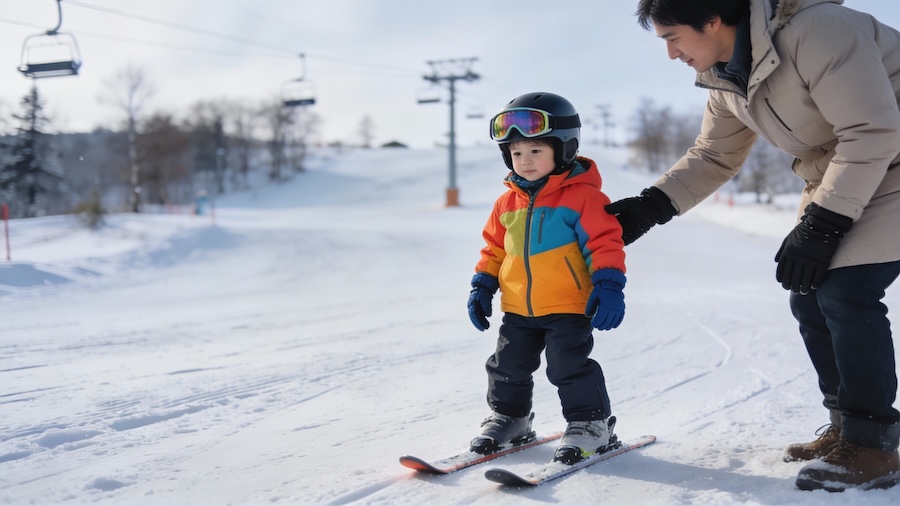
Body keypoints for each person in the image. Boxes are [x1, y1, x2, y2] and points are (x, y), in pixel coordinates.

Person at [613, 0, 900, 492]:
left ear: (712, 20)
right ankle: (847, 429)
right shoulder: (727, 78)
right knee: (808, 294)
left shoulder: (819, 31)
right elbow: (713, 155)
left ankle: (876, 445)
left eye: (672, 37)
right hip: (849, 172)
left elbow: (872, 131)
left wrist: (824, 224)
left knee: (845, 293)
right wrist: (647, 208)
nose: (671, 53)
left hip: (884, 156)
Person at [466, 92, 627, 464]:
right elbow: (493, 248)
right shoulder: (506, 203)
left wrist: (609, 285)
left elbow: (605, 243)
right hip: (518, 306)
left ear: (564, 149)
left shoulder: (583, 198)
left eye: (536, 151)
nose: (525, 161)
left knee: (568, 367)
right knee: (507, 366)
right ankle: (511, 418)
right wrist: (482, 285)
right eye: (517, 153)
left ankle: (591, 424)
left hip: (569, 305)